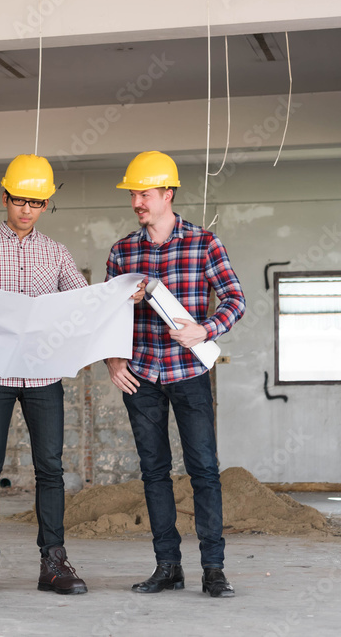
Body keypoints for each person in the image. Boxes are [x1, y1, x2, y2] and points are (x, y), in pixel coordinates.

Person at [0, 154, 90, 596]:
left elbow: (81, 306)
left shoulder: (56, 254)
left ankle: (54, 564)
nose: (27, 209)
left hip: (44, 375)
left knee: (51, 469)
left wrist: (124, 297)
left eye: (37, 202)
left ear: (45, 206)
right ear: (5, 197)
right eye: (20, 200)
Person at [105, 151, 245, 598]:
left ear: (168, 193)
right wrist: (113, 359)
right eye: (133, 194)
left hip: (189, 372)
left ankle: (214, 569)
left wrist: (205, 328)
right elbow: (105, 316)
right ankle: (168, 567)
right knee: (154, 472)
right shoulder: (123, 251)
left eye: (144, 193)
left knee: (204, 470)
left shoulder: (204, 243)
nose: (137, 202)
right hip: (142, 374)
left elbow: (235, 300)